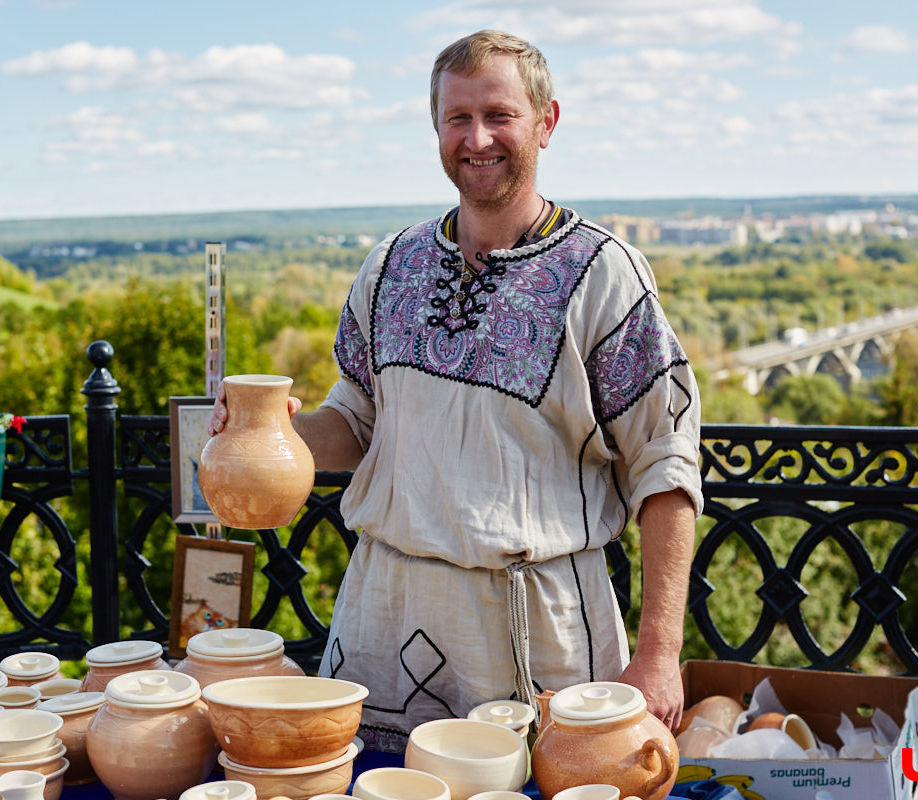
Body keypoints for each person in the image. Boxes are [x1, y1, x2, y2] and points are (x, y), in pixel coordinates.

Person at [209, 29, 702, 753]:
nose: (477, 138)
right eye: (457, 118)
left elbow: (666, 464)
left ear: (546, 122)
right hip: (381, 617)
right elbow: (358, 421)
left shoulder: (604, 273)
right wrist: (275, 433)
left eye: (499, 115)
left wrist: (659, 652)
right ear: (436, 127)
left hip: (537, 635)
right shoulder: (391, 264)